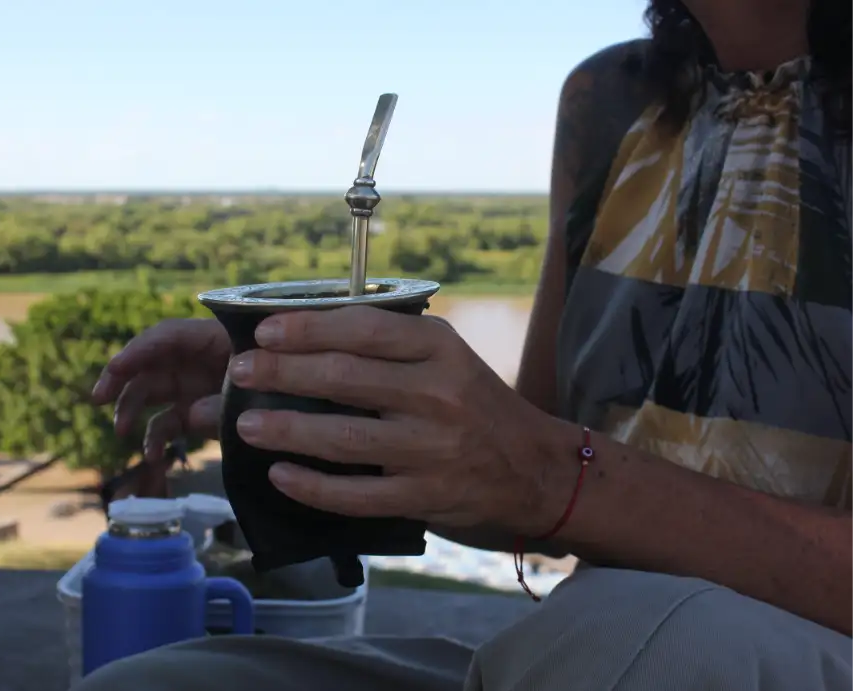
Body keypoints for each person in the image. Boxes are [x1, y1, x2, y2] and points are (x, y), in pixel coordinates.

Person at [79, 0, 853, 688]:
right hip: (586, 653)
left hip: (667, 651)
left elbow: (554, 482)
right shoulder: (613, 98)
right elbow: (518, 501)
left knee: (659, 635)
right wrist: (320, 393)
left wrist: (553, 474)